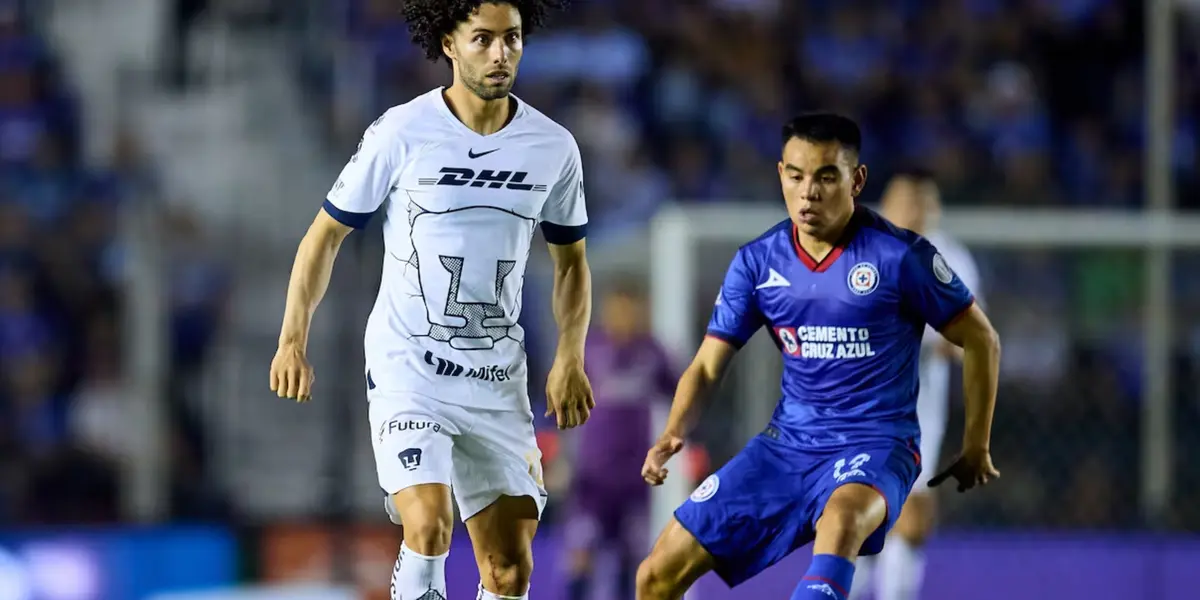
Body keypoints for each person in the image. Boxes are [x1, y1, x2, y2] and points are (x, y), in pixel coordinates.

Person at [268, 2, 593, 599]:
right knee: (429, 523)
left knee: (509, 570)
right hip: (410, 369)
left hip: (497, 380)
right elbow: (325, 236)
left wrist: (570, 356)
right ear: (448, 43)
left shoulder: (553, 147)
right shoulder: (402, 131)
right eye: (483, 40)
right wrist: (293, 339)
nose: (501, 54)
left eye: (512, 39)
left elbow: (570, 263)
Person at [634, 113, 1002, 600]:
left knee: (843, 520)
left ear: (857, 179)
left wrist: (976, 445)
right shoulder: (757, 262)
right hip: (787, 447)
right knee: (655, 576)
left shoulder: (901, 257)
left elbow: (982, 339)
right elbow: (706, 365)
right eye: (796, 175)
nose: (808, 192)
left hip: (877, 446)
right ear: (780, 174)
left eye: (827, 176)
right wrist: (673, 431)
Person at [849, 170, 983, 600]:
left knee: (910, 513)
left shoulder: (951, 259)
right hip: (855, 405)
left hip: (918, 409)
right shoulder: (858, 249)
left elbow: (968, 338)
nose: (916, 209)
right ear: (886, 204)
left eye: (926, 201)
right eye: (907, 199)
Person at [564, 279, 677, 600]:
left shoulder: (653, 352)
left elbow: (680, 395)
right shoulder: (589, 349)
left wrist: (683, 438)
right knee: (581, 554)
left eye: (631, 311)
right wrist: (559, 458)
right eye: (618, 310)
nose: (624, 318)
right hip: (592, 475)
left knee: (632, 557)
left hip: (634, 476)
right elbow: (561, 405)